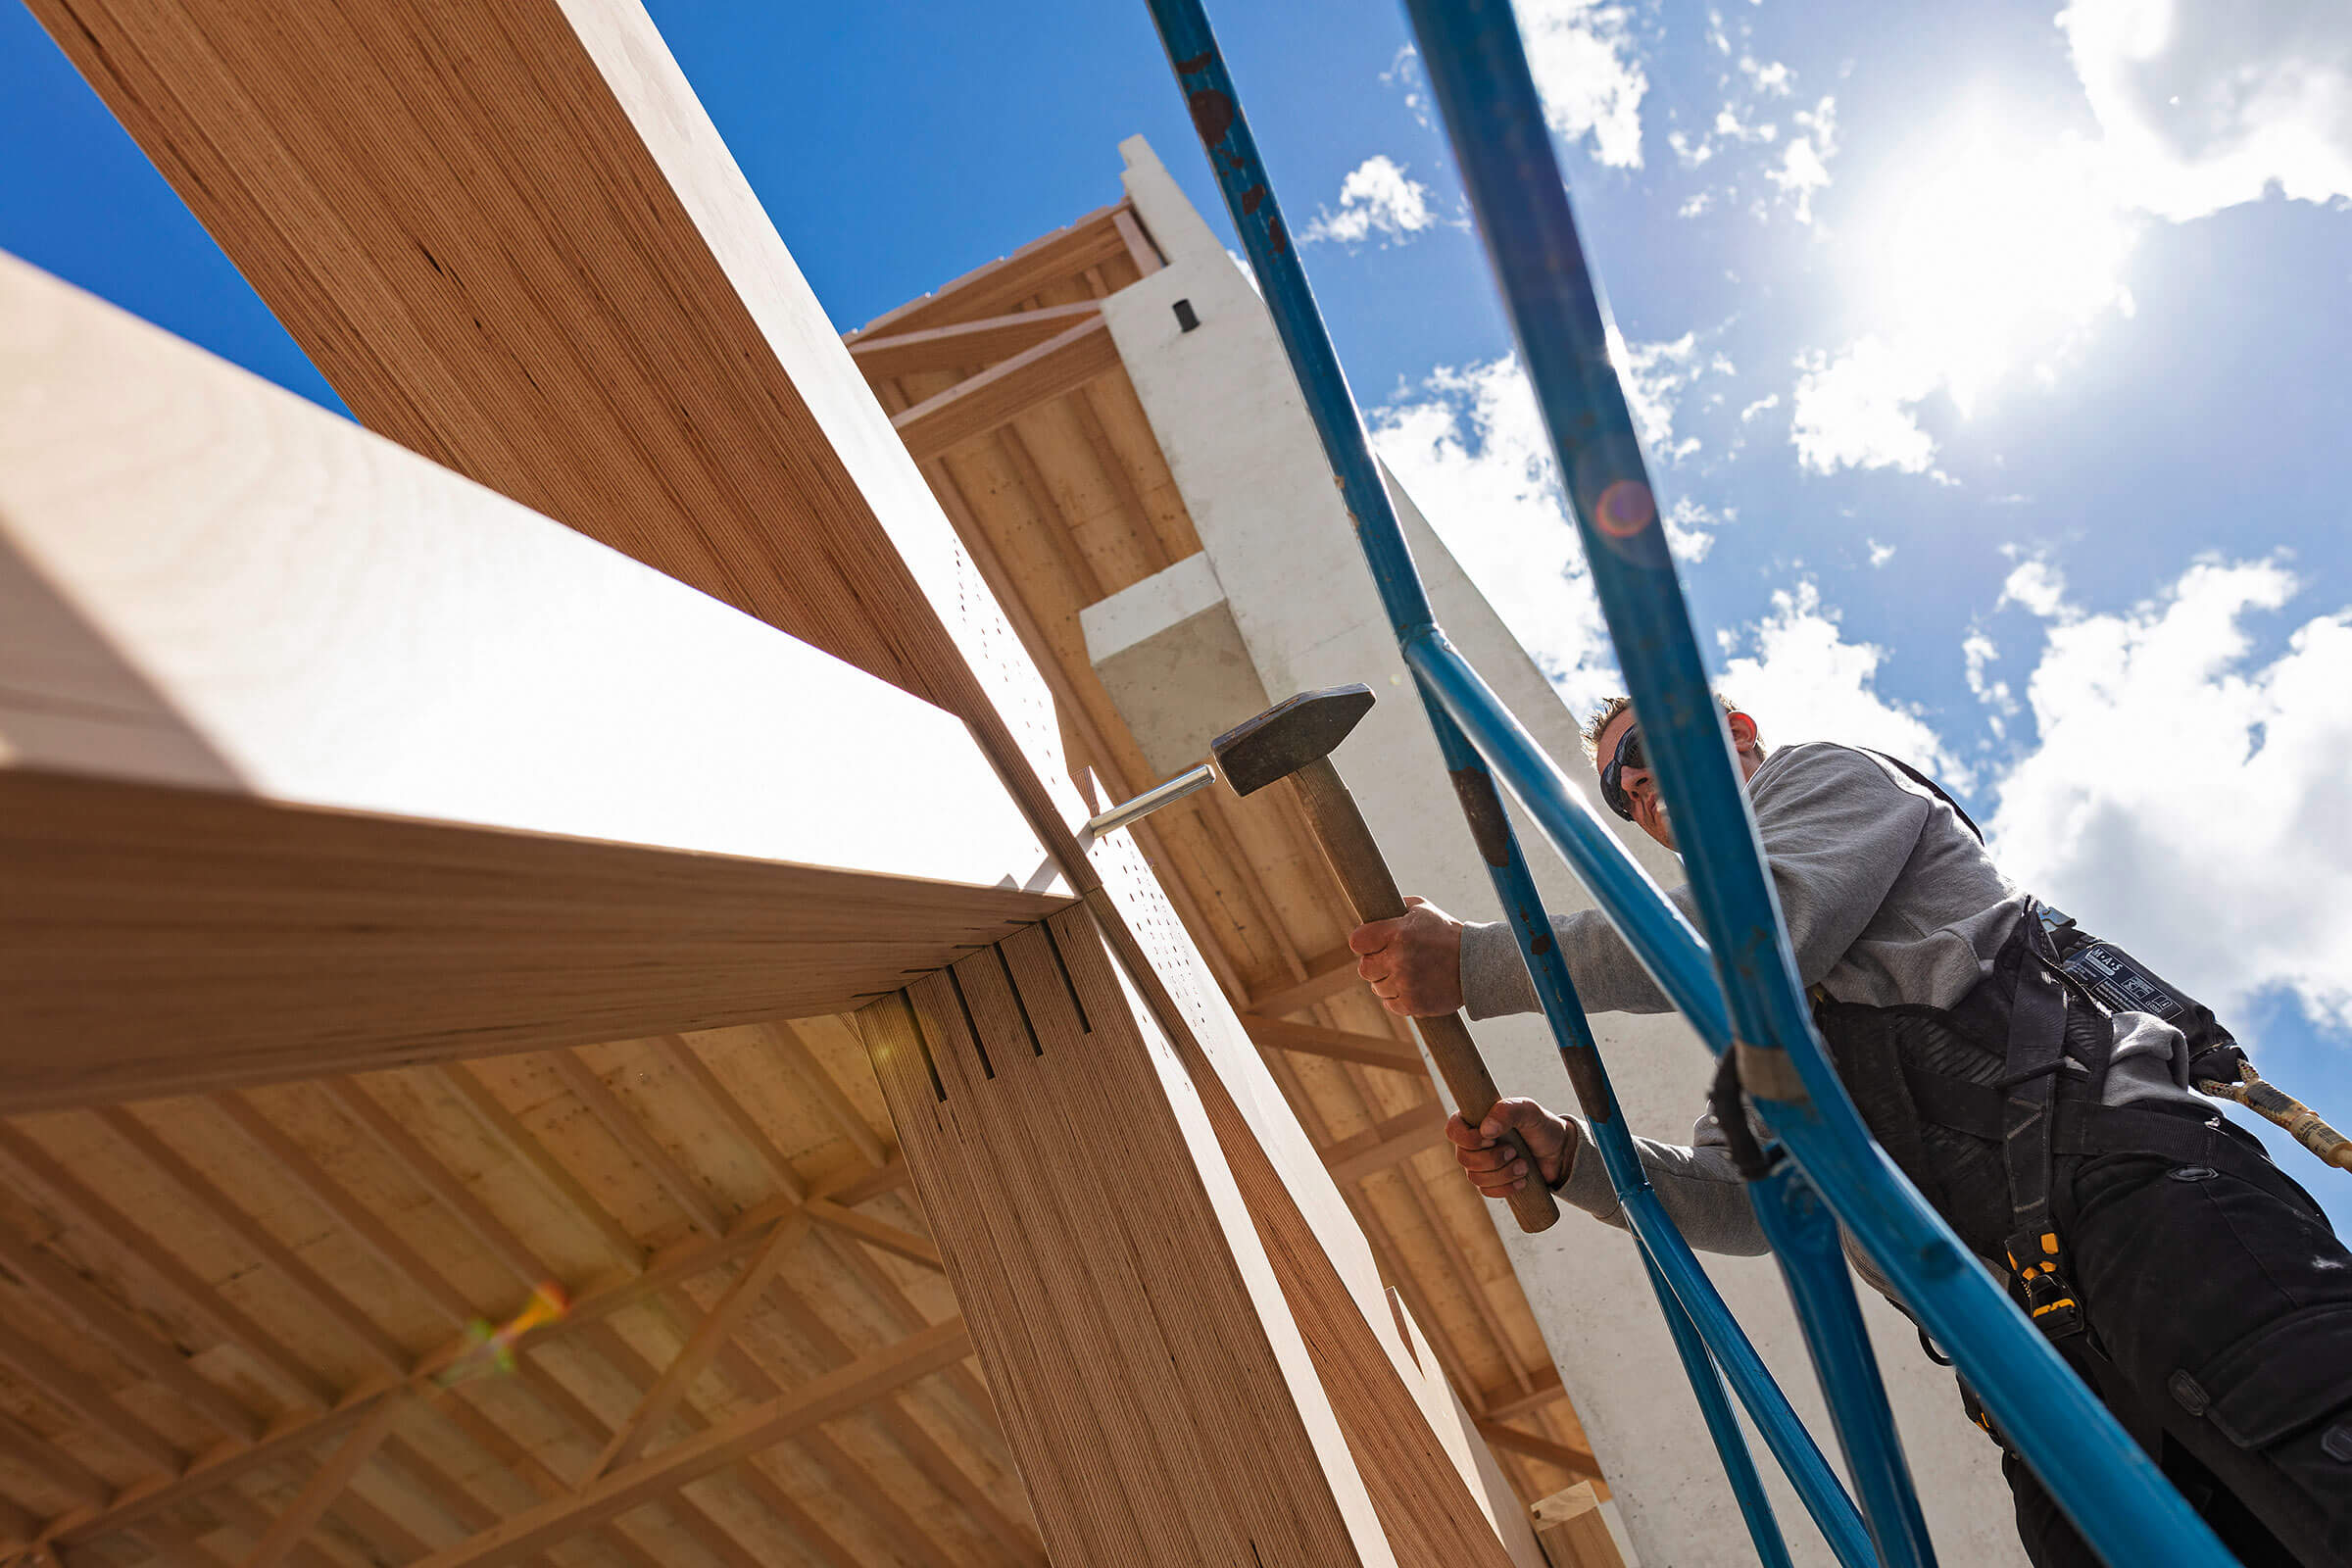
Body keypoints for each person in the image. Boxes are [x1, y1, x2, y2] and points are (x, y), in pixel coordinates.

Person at [1348, 695, 2352, 1567]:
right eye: (1623, 791)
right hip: (2028, 1362)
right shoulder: (1770, 1035)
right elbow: (1745, 1203)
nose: (1639, 787)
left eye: (1647, 751)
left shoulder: (1830, 783)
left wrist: (1480, 964)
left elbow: (1758, 929)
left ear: (1738, 732)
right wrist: (1576, 1159)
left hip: (2150, 1210)